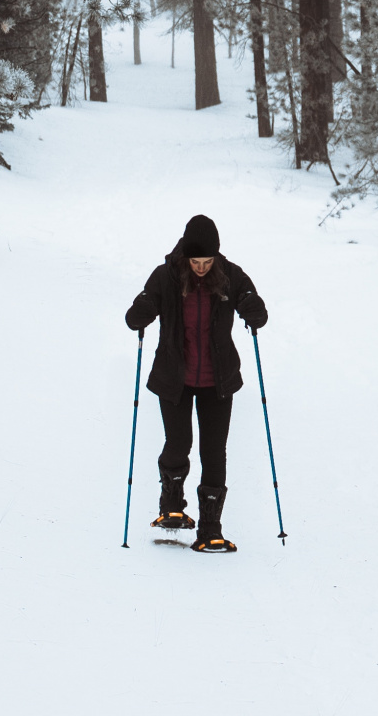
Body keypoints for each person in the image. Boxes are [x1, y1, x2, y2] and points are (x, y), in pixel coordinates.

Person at [124, 214, 267, 553]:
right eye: (195, 262)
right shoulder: (166, 276)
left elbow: (258, 312)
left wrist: (252, 307)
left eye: (207, 261)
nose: (201, 268)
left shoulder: (231, 276)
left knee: (214, 452)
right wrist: (143, 308)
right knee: (178, 443)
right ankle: (171, 506)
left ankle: (210, 529)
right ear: (185, 256)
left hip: (218, 381)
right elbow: (135, 316)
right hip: (175, 377)